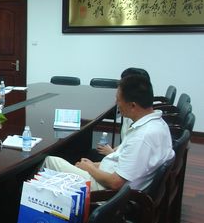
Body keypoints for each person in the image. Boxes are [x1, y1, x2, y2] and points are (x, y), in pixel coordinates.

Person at [42, 74, 174, 191]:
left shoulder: (142, 137)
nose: (116, 104)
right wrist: (94, 165)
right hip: (109, 176)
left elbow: (115, 183)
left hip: (106, 191)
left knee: (49, 161)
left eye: (118, 100)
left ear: (132, 105)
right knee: (74, 162)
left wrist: (90, 169)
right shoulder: (158, 124)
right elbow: (124, 161)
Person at [95, 67, 150, 157]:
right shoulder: (135, 113)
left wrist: (111, 153)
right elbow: (127, 144)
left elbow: (129, 158)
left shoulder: (142, 133)